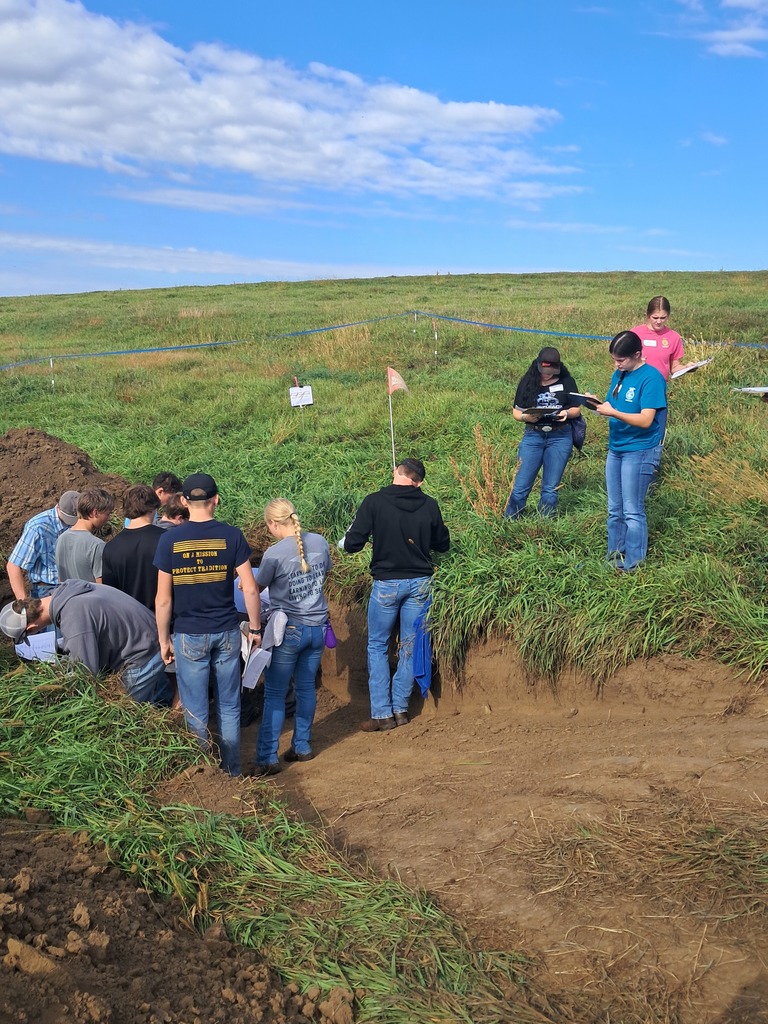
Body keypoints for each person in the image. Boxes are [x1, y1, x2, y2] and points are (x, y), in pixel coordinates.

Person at [153, 473, 260, 776]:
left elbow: (163, 599)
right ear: (217, 499)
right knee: (228, 705)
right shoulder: (231, 535)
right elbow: (250, 588)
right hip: (226, 631)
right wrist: (254, 629)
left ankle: (202, 773)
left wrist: (164, 639)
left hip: (188, 634)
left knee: (195, 709)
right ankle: (232, 771)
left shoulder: (170, 539)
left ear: (184, 501)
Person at [340, 458, 450, 732]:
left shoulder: (374, 501)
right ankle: (401, 708)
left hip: (387, 584)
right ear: (420, 482)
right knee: (410, 645)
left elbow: (352, 544)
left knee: (377, 645)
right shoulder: (430, 504)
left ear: (395, 473)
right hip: (421, 583)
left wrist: (342, 541)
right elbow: (443, 545)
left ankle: (381, 714)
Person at [253, 499, 331, 775]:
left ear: (274, 524)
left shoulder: (273, 554)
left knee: (274, 692)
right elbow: (324, 572)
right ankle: (302, 746)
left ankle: (267, 756)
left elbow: (257, 586)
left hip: (288, 630)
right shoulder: (320, 542)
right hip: (318, 627)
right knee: (306, 687)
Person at [0, 580, 173, 705]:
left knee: (122, 709)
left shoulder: (73, 615)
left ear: (31, 628)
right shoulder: (66, 591)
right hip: (150, 637)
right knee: (160, 700)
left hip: (143, 653)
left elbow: (85, 674)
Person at [591, 331, 667, 573]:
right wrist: (597, 405)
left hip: (640, 449)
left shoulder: (652, 378)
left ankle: (634, 563)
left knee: (632, 510)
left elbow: (646, 420)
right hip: (617, 447)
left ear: (637, 354)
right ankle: (614, 556)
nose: (616, 364)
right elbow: (613, 404)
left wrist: (613, 413)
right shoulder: (620, 374)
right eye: (614, 359)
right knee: (615, 509)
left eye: (621, 359)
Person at [504, 347, 582, 519]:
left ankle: (545, 523)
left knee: (550, 487)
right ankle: (511, 520)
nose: (547, 375)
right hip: (534, 435)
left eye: (551, 372)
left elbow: (576, 409)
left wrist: (566, 413)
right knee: (521, 485)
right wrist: (526, 417)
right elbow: (516, 412)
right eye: (544, 372)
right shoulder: (528, 381)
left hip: (560, 436)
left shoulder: (567, 381)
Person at [6, 490, 81, 600]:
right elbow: (13, 566)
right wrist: (24, 603)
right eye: (70, 519)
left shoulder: (80, 522)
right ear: (58, 508)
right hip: (46, 589)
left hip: (72, 585)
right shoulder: (38, 527)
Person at [102, 484, 164, 610]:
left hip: (128, 620)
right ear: (152, 508)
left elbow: (110, 593)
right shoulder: (166, 539)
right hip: (162, 619)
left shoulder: (110, 547)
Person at [55, 488, 115, 584]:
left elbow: (60, 578)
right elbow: (102, 587)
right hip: (88, 599)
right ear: (95, 513)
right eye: (107, 514)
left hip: (66, 597)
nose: (109, 518)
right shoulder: (97, 545)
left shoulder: (61, 539)